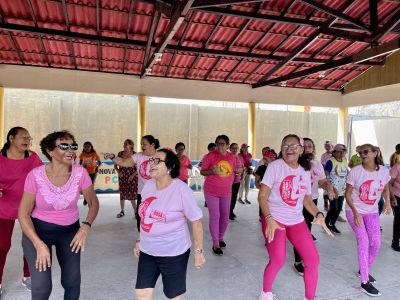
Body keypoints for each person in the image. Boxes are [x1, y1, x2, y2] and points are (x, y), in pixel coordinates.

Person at [19, 130, 100, 300]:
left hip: (69, 232)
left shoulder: (80, 173)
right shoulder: (35, 176)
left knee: (72, 282)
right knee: (42, 287)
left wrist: (85, 227)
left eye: (73, 146)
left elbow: (93, 203)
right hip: (37, 232)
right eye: (64, 146)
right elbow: (23, 214)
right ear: (50, 151)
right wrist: (38, 244)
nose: (71, 150)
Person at [258, 134, 332, 300]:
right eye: (285, 146)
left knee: (313, 261)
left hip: (296, 221)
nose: (289, 149)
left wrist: (318, 214)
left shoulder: (305, 171)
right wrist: (269, 218)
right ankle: (266, 293)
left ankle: (309, 298)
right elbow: (262, 196)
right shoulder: (275, 166)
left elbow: (307, 200)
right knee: (278, 260)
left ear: (301, 150)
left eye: (293, 146)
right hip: (274, 219)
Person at [133, 149, 205, 300]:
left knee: (173, 295)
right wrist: (139, 240)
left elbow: (196, 221)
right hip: (148, 250)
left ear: (170, 167)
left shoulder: (181, 190)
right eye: (151, 160)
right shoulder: (148, 186)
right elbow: (145, 216)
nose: (151, 163)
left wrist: (199, 251)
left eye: (157, 161)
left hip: (173, 252)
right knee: (142, 292)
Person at [0, 127, 42, 295]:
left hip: (29, 207)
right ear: (11, 138)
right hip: (4, 207)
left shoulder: (33, 158)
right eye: (23, 137)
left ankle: (28, 276)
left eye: (29, 137)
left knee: (30, 243)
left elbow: (43, 177)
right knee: (1, 245)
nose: (27, 140)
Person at [345, 144, 391, 297]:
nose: (362, 154)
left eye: (366, 152)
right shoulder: (356, 172)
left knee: (376, 244)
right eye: (360, 152)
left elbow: (385, 187)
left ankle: (363, 270)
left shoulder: (384, 171)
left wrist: (387, 201)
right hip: (353, 211)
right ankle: (365, 282)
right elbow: (348, 195)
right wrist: (356, 213)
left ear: (375, 153)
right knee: (363, 241)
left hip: (371, 212)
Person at [293, 138, 335, 276]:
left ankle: (300, 257)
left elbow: (322, 181)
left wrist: (329, 188)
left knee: (306, 230)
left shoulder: (317, 164)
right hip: (295, 202)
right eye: (305, 146)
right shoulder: (294, 164)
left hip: (312, 202)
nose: (308, 149)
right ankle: (298, 260)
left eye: (310, 146)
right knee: (297, 231)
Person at [104, 135, 159, 231]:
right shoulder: (138, 156)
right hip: (142, 194)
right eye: (141, 144)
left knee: (156, 219)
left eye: (144, 144)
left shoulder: (161, 156)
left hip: (158, 194)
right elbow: (123, 162)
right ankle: (143, 240)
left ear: (152, 145)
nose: (142, 146)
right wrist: (113, 156)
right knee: (141, 220)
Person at [200, 135, 236, 255]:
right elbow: (202, 171)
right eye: (218, 143)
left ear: (227, 145)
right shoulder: (210, 156)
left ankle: (220, 238)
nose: (220, 146)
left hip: (226, 191)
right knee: (215, 216)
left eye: (223, 143)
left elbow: (233, 170)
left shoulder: (231, 157)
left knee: (225, 217)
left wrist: (239, 171)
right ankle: (215, 243)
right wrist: (212, 171)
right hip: (211, 191)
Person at [324, 144, 349, 234]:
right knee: (334, 208)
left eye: (343, 151)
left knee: (338, 209)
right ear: (334, 152)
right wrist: (333, 188)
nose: (342, 153)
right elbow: (326, 176)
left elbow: (347, 172)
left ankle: (329, 223)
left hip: (342, 189)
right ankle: (329, 225)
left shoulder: (345, 161)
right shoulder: (331, 161)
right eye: (340, 151)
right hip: (333, 190)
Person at [254, 149, 277, 244]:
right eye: (263, 159)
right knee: (265, 215)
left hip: (275, 197)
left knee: (275, 215)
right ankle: (268, 237)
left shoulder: (277, 168)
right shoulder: (261, 168)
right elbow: (256, 182)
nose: (264, 161)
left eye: (266, 159)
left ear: (273, 159)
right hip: (264, 196)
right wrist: (261, 187)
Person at [115, 139, 138, 218]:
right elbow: (115, 165)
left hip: (132, 177)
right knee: (122, 194)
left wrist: (133, 175)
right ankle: (122, 211)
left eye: (126, 144)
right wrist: (118, 172)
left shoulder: (135, 155)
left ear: (131, 145)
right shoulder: (120, 154)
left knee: (132, 195)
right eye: (124, 144)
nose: (124, 145)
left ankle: (136, 212)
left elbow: (139, 168)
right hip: (122, 177)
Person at [79, 141, 101, 205]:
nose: (87, 148)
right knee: (85, 186)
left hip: (93, 172)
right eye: (85, 147)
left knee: (90, 186)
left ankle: (89, 199)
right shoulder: (82, 154)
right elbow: (80, 163)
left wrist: (97, 166)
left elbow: (99, 162)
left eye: (88, 147)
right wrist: (82, 166)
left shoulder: (94, 154)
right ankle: (85, 198)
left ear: (91, 147)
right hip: (85, 172)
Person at [229, 143, 244, 221]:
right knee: (228, 197)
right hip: (228, 181)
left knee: (234, 197)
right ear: (230, 149)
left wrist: (241, 172)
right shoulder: (228, 157)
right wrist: (234, 170)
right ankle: (228, 212)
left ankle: (231, 211)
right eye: (233, 148)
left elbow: (242, 167)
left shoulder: (240, 158)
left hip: (237, 180)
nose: (235, 150)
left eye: (236, 148)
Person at [389, 154, 400, 252]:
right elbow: (389, 183)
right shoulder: (397, 166)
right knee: (398, 219)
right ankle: (395, 242)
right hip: (397, 196)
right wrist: (392, 197)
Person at [321, 141, 333, 212]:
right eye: (326, 146)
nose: (327, 147)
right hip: (326, 174)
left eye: (328, 146)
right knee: (326, 190)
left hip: (334, 175)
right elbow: (322, 164)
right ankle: (326, 204)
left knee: (333, 190)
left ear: (332, 146)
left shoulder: (334, 154)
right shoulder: (323, 155)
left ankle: (332, 205)